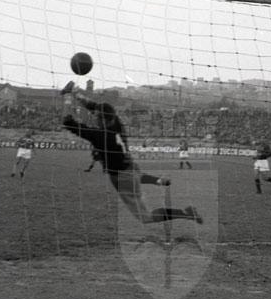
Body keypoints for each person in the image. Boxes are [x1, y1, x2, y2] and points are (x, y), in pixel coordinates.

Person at [61, 82, 202, 224]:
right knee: (135, 176)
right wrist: (75, 94)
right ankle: (159, 181)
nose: (94, 117)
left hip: (120, 177)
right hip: (130, 166)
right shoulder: (116, 122)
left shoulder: (99, 136)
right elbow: (94, 106)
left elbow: (67, 121)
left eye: (97, 116)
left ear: (102, 119)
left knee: (145, 217)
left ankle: (185, 213)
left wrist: (67, 97)